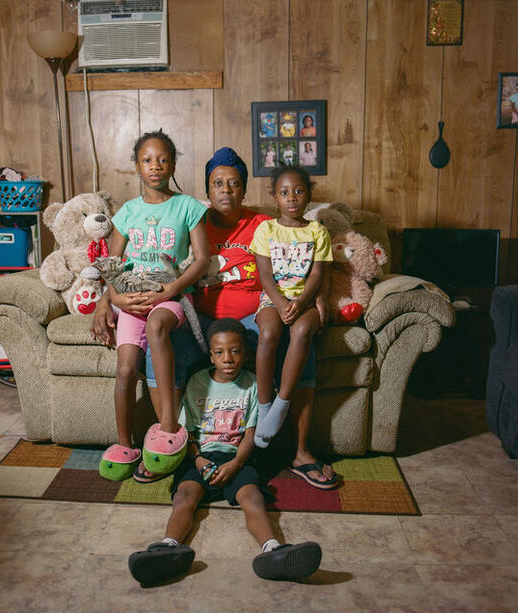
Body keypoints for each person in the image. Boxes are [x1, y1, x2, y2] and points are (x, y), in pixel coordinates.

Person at [153, 147, 337, 489]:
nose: (225, 190)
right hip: (202, 319)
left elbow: (306, 264)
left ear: (245, 190)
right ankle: (171, 446)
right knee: (164, 340)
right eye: (217, 183)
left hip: (253, 317)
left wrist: (321, 296)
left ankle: (299, 452)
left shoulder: (264, 225)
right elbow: (155, 257)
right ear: (207, 190)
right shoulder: (193, 221)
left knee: (298, 337)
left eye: (234, 183)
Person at [127, 318, 322, 586]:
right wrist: (198, 460)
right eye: (219, 353)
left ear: (246, 353)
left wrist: (236, 464)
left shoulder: (253, 384)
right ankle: (167, 547)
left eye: (235, 351)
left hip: (236, 457)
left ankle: (273, 550)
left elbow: (251, 433)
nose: (227, 359)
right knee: (184, 497)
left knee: (253, 498)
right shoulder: (197, 383)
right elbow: (187, 432)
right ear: (211, 356)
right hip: (201, 456)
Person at [90, 130, 210, 482]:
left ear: (172, 165)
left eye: (162, 160)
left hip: (170, 298)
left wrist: (168, 290)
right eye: (147, 160)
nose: (155, 166)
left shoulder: (188, 207)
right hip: (130, 301)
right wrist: (114, 298)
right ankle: (125, 444)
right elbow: (112, 264)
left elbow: (202, 260)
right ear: (137, 166)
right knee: (126, 369)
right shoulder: (128, 212)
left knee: (157, 326)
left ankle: (169, 427)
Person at [250, 165, 336, 491]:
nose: (292, 198)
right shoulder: (266, 230)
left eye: (298, 191)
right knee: (269, 333)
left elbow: (317, 275)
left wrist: (300, 302)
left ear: (309, 195)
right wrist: (280, 301)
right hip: (273, 299)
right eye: (284, 192)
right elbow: (265, 275)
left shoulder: (317, 231)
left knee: (301, 332)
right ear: (275, 197)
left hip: (306, 301)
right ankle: (265, 407)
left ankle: (281, 405)